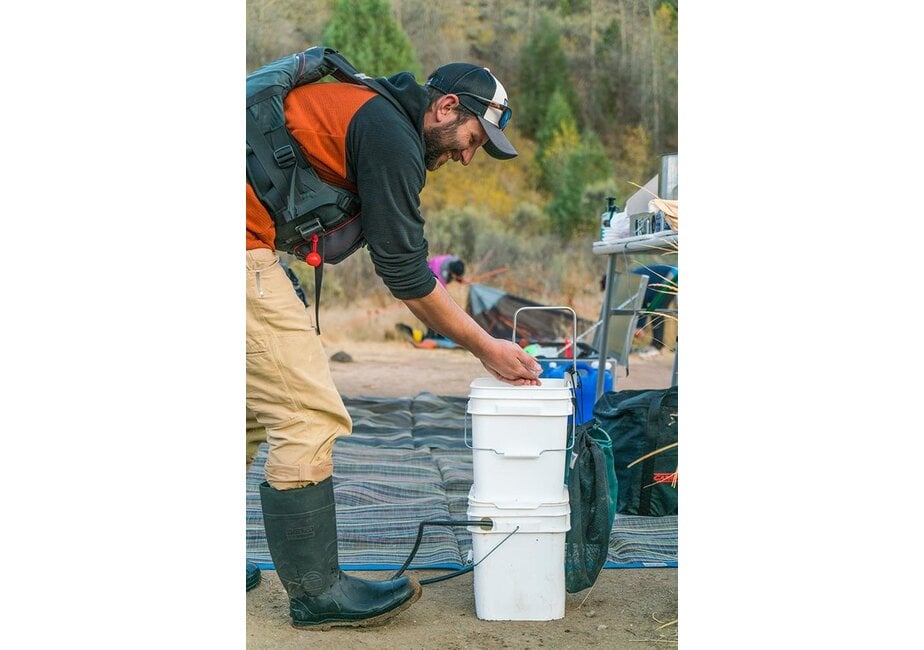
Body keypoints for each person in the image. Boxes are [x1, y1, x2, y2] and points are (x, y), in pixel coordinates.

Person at [245, 51, 542, 629]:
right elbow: (407, 275)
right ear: (447, 107)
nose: (465, 157)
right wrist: (488, 347)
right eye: (473, 139)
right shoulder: (389, 134)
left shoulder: (370, 111)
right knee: (308, 416)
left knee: (249, 415)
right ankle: (317, 594)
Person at [630, 264, 678, 351]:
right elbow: (642, 303)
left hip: (673, 277)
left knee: (657, 310)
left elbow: (642, 302)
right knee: (656, 309)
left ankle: (657, 346)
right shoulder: (630, 278)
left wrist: (640, 327)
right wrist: (640, 326)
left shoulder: (630, 281)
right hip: (670, 277)